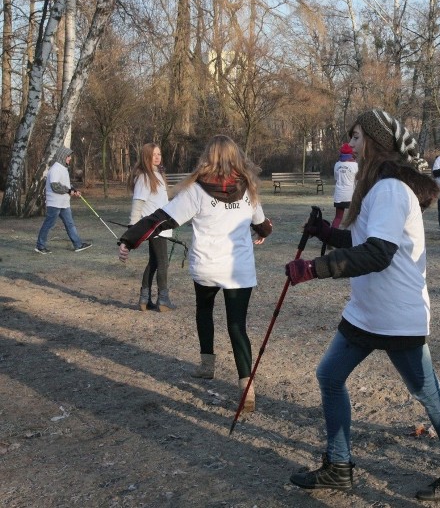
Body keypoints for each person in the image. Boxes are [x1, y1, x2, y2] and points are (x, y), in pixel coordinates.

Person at [284, 109, 440, 501]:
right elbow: (359, 241)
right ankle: (339, 465)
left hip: (396, 315)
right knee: (330, 376)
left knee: (429, 394)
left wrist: (314, 268)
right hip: (366, 310)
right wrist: (325, 232)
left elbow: (377, 253)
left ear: (374, 141)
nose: (349, 145)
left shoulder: (390, 189)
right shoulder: (373, 186)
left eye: (355, 137)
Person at [117, 135, 272, 412]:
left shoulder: (196, 190)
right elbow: (261, 222)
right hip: (239, 270)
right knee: (237, 326)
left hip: (208, 267)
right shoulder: (248, 189)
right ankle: (246, 385)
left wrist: (129, 239)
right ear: (236, 158)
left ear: (207, 158)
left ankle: (207, 365)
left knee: (204, 310)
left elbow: (160, 218)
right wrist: (262, 231)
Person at [127, 143, 175, 312]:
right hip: (154, 226)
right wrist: (132, 229)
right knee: (163, 262)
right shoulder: (144, 177)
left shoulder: (158, 175)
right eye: (153, 154)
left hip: (162, 224)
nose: (157, 157)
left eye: (159, 154)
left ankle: (144, 299)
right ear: (146, 157)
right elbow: (137, 204)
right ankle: (163, 299)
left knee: (154, 262)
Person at [35, 146, 92, 254]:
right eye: (68, 156)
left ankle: (78, 245)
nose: (70, 158)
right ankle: (40, 246)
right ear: (62, 156)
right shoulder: (56, 168)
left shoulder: (63, 168)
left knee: (70, 224)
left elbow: (65, 184)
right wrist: (68, 191)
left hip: (63, 203)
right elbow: (55, 186)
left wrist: (74, 190)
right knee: (48, 224)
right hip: (55, 203)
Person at [332, 142, 358, 228]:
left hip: (339, 195)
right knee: (355, 218)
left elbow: (336, 178)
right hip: (350, 195)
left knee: (338, 217)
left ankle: (331, 236)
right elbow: (357, 178)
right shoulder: (355, 165)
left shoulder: (337, 164)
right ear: (351, 154)